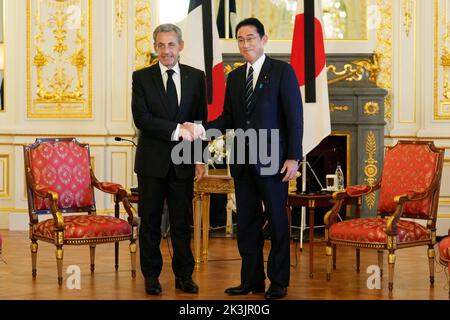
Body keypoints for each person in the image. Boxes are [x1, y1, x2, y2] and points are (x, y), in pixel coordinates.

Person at [188, 17, 303, 299]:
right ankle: (251, 281)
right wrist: (202, 129)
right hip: (242, 161)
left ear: (263, 40)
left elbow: (295, 118)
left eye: (250, 38)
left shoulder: (282, 72)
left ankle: (278, 282)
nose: (245, 44)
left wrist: (293, 157)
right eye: (240, 39)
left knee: (277, 222)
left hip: (274, 162)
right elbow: (228, 118)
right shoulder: (235, 77)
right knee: (248, 225)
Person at [131, 23, 207, 295]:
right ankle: (151, 277)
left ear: (181, 46)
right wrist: (177, 130)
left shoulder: (196, 77)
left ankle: (184, 277)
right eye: (161, 45)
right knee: (150, 223)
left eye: (171, 44)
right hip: (152, 163)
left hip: (185, 160)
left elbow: (200, 121)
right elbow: (142, 119)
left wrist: (200, 159)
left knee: (181, 223)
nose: (166, 51)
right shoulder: (141, 78)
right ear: (155, 47)